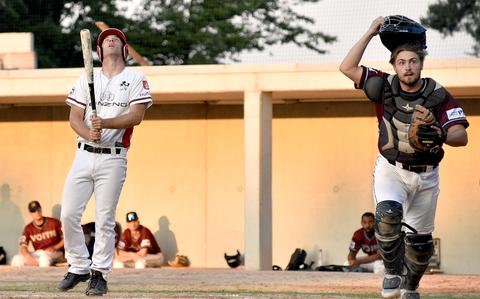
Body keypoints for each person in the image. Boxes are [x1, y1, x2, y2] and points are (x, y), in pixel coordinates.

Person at [339, 16, 469, 299]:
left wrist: (441, 135)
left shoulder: (437, 94)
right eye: (401, 62)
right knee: (387, 216)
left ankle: (410, 287)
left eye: (412, 61)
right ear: (394, 65)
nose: (407, 67)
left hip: (426, 176)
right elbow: (346, 67)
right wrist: (370, 31)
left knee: (421, 245)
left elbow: (461, 135)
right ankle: (391, 273)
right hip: (391, 169)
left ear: (421, 63)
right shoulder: (383, 86)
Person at [57, 28, 152, 296]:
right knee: (68, 214)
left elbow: (136, 116)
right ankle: (78, 265)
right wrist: (88, 131)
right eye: (105, 40)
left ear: (124, 50)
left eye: (116, 39)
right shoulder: (87, 78)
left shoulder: (136, 79)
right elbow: (75, 117)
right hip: (83, 153)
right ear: (98, 52)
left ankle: (99, 273)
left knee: (104, 218)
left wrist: (106, 123)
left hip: (114, 156)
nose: (110, 40)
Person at [11, 201, 64, 267]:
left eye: (38, 210)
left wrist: (55, 247)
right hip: (39, 253)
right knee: (16, 259)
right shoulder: (28, 228)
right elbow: (23, 248)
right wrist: (29, 258)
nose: (37, 212)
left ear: (41, 209)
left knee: (44, 259)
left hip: (56, 252)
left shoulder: (54, 222)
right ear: (30, 213)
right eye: (34, 211)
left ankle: (44, 277)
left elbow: (66, 239)